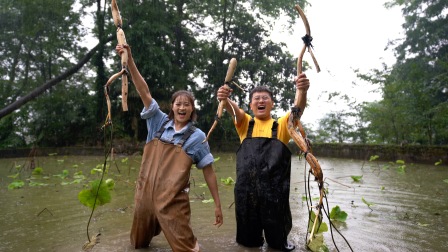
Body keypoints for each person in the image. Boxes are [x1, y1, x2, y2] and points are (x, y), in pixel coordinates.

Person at [116, 44, 223, 251]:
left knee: (187, 249)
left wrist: (217, 205)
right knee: (137, 245)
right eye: (178, 104)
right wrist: (129, 60)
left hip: (172, 202)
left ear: (192, 109)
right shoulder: (158, 122)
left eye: (187, 104)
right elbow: (143, 90)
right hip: (144, 197)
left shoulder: (197, 136)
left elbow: (209, 172)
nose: (182, 107)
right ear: (172, 107)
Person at [216, 74, 310, 251]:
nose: (261, 101)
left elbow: (298, 109)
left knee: (277, 244)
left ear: (272, 103)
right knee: (247, 244)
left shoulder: (282, 125)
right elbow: (233, 109)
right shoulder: (245, 123)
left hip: (275, 195)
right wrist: (225, 98)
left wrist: (302, 90)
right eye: (256, 99)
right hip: (246, 194)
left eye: (265, 98)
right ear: (251, 105)